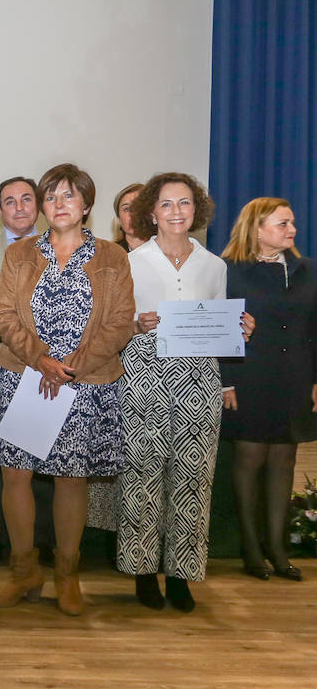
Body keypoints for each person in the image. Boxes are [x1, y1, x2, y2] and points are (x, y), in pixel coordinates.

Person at [0, 164, 134, 616]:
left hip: (85, 383)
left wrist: (71, 366)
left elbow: (120, 322)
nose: (59, 204)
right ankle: (23, 571)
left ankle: (67, 576)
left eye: (69, 196)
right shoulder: (21, 255)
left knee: (72, 478)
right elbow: (3, 314)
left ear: (86, 205)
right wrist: (42, 359)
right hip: (25, 376)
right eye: (51, 197)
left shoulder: (112, 256)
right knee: (17, 475)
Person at [117, 172, 244, 612]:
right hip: (142, 373)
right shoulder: (129, 263)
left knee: (193, 477)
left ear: (197, 210)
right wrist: (136, 324)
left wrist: (240, 329)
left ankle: (181, 574)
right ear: (151, 212)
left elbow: (221, 329)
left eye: (184, 203)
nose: (176, 211)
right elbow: (114, 325)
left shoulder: (214, 266)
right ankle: (141, 571)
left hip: (199, 380)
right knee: (143, 475)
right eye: (167, 204)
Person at [220, 198, 317, 582]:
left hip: (293, 377)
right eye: (282, 224)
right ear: (256, 229)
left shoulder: (308, 270)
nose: (291, 230)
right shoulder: (228, 270)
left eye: (292, 223)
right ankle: (251, 548)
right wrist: (226, 380)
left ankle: (278, 548)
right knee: (249, 460)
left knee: (284, 461)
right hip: (247, 376)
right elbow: (219, 327)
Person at [0, 176, 51, 567]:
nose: (18, 207)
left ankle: (43, 542)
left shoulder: (60, 245)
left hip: (43, 368)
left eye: (26, 199)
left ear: (38, 205)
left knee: (42, 458)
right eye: (9, 201)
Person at [112, 183, 146, 253]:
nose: (133, 214)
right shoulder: (109, 254)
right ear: (119, 218)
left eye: (138, 207)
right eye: (127, 209)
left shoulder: (168, 249)